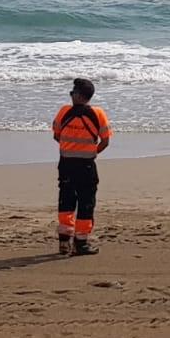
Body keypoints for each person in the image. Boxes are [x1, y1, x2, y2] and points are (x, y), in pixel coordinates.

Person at [52, 78, 110, 256]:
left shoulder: (64, 112)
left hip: (66, 164)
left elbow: (57, 136)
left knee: (66, 201)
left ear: (78, 95)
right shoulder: (98, 113)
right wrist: (91, 152)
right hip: (86, 165)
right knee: (86, 203)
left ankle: (64, 242)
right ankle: (81, 243)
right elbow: (105, 141)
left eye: (72, 93)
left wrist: (71, 149)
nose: (71, 96)